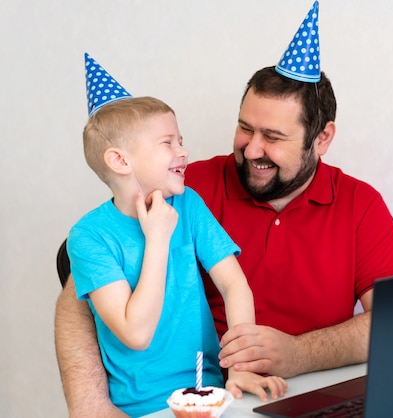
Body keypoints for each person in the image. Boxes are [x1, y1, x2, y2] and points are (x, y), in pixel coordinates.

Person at [64, 55, 286, 417]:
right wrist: (157, 239)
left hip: (212, 393)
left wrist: (241, 368)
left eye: (180, 140)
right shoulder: (88, 237)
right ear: (120, 161)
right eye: (167, 143)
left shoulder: (189, 205)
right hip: (145, 407)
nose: (183, 151)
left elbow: (234, 285)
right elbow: (136, 333)